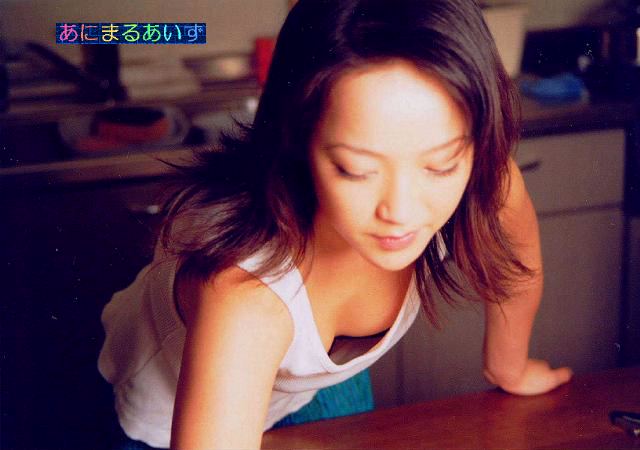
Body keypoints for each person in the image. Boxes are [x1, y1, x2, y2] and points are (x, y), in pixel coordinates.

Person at [98, 0, 573, 448]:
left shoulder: (484, 181)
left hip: (312, 382)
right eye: (355, 170)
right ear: (298, 140)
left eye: (441, 165)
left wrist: (508, 366)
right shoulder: (246, 297)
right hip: (163, 415)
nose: (401, 210)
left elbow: (516, 265)